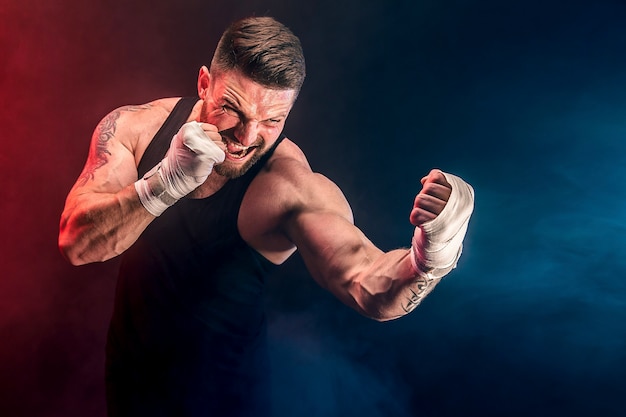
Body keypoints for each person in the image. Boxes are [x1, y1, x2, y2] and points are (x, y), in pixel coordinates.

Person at [58, 15, 474, 417]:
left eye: (272, 120)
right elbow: (78, 245)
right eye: (233, 110)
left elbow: (368, 287)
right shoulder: (135, 129)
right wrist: (164, 182)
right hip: (131, 391)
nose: (247, 137)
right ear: (205, 83)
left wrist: (431, 257)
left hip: (229, 403)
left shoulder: (288, 185)